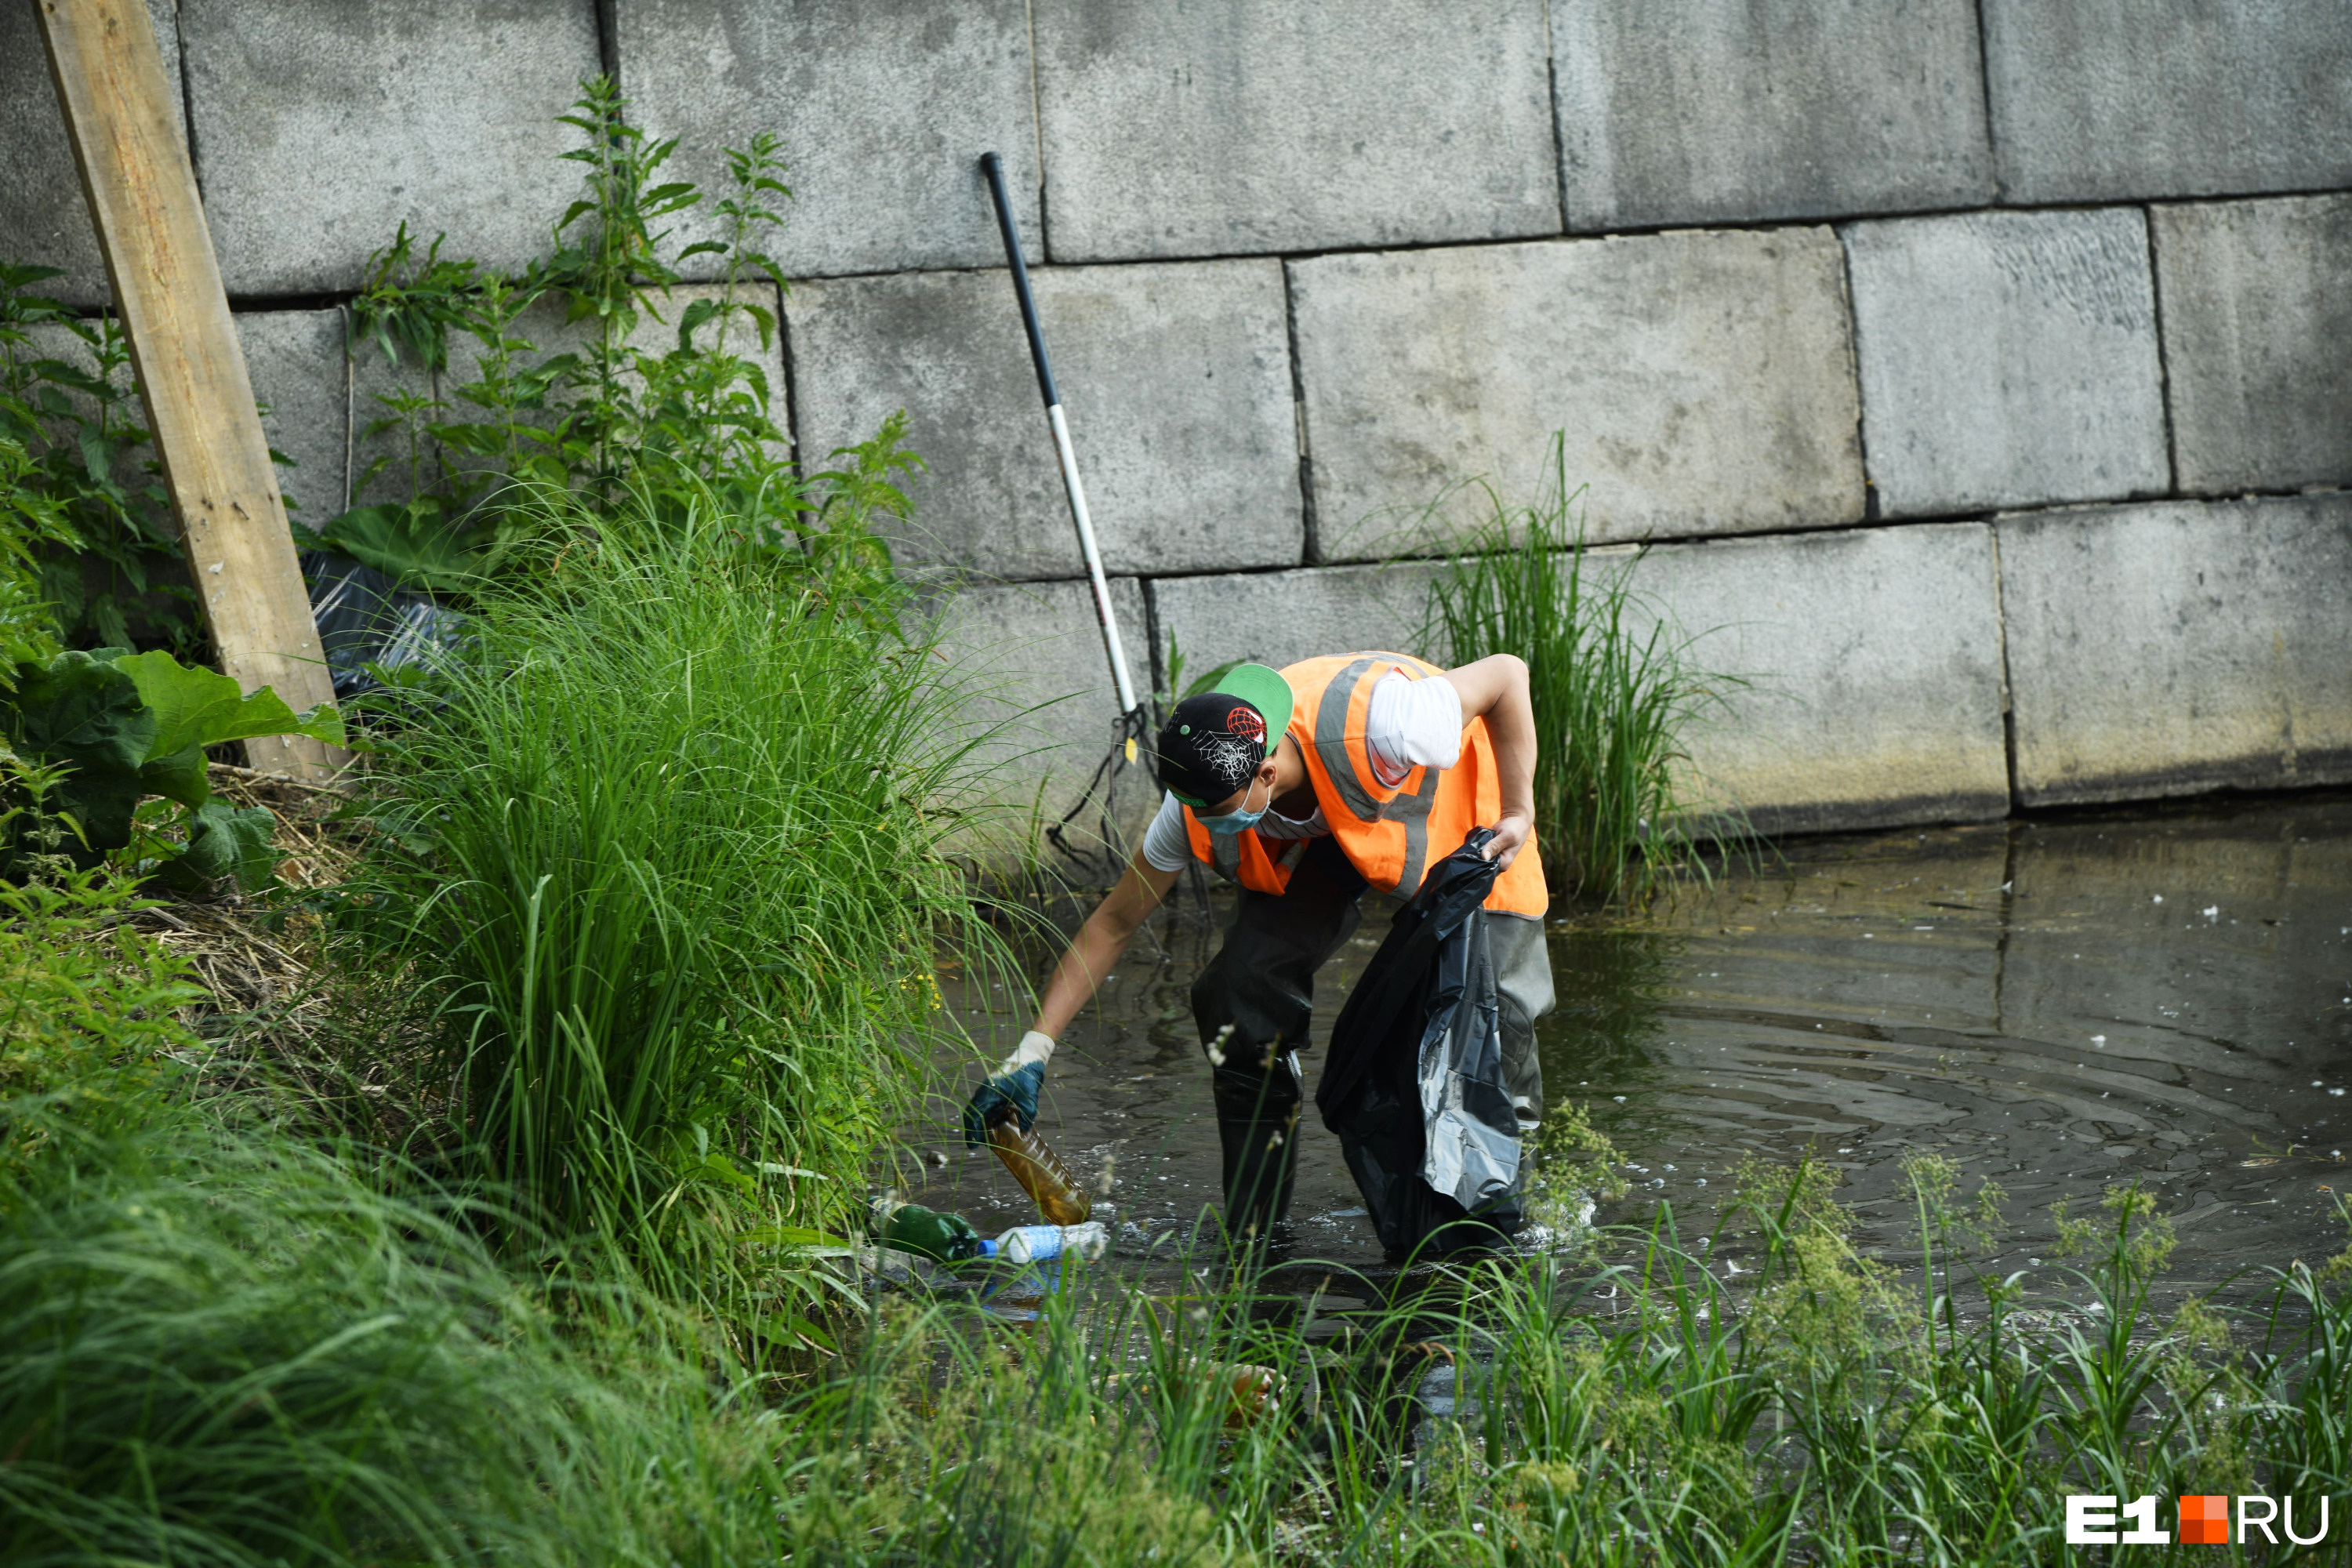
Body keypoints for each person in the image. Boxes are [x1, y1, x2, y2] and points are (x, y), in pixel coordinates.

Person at [961, 651, 1554, 1238]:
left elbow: (1508, 674)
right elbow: (1114, 924)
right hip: (1326, 829)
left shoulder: (1389, 723)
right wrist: (1033, 1048)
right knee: (1240, 992)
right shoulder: (1200, 797)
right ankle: (1256, 1236)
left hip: (1464, 813)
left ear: (1265, 774)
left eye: (1213, 812)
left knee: (1493, 1024)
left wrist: (1519, 810)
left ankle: (1506, 1231)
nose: (1200, 822)